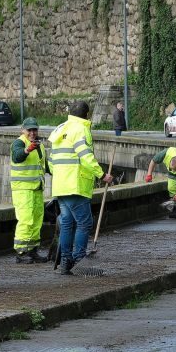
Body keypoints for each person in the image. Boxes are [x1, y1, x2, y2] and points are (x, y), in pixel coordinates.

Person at [48, 100, 113, 274]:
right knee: (85, 222)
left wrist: (60, 176)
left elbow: (51, 161)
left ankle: (65, 263)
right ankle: (79, 260)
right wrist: (102, 174)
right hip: (75, 184)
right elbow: (85, 156)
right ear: (86, 114)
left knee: (68, 223)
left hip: (60, 185)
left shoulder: (60, 128)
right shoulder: (81, 129)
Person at [10, 118, 49, 262]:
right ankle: (21, 253)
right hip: (23, 189)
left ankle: (32, 251)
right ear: (23, 130)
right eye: (29, 130)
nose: (32, 133)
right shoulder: (19, 143)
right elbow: (17, 156)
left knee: (36, 220)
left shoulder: (40, 145)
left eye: (35, 130)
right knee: (26, 221)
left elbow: (45, 165)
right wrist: (27, 150)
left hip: (36, 188)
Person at [145, 146, 176, 219]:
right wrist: (149, 174)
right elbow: (153, 161)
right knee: (171, 188)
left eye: (174, 170)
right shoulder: (166, 153)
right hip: (174, 160)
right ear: (170, 161)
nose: (173, 171)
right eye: (171, 168)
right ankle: (175, 211)